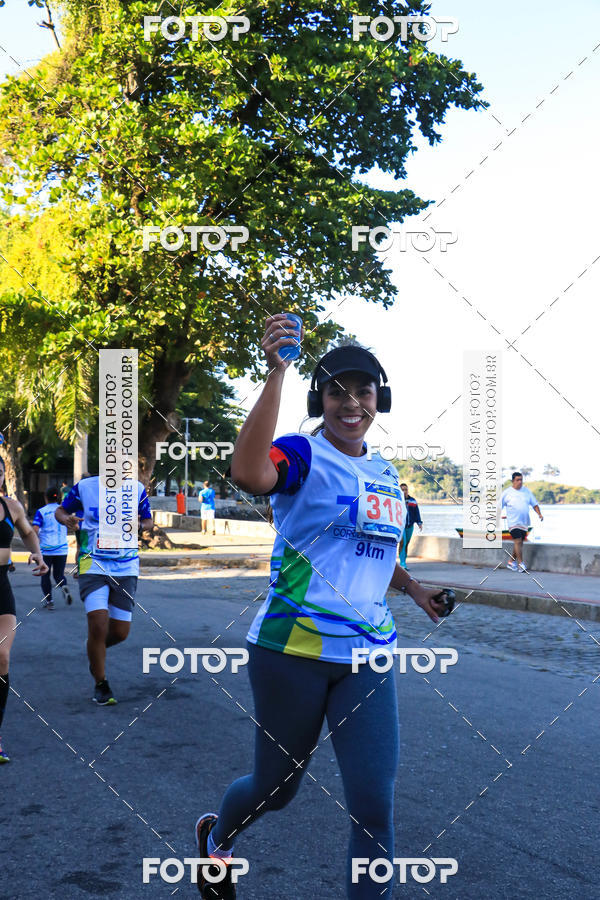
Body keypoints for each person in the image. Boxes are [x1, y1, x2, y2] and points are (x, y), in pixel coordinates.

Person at [193, 316, 448, 899]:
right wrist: (277, 372)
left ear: (379, 400)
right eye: (337, 390)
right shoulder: (301, 454)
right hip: (292, 650)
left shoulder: (384, 472)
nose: (351, 402)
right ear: (320, 398)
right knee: (277, 788)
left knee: (373, 808)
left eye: (363, 391)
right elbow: (249, 473)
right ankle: (219, 839)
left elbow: (374, 554)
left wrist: (411, 588)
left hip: (370, 654)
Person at [55, 474, 152, 705]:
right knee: (97, 623)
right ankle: (101, 684)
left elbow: (149, 521)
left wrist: (137, 524)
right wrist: (66, 518)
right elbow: (60, 510)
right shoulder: (85, 487)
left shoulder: (136, 488)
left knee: (120, 633)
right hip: (91, 562)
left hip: (126, 565)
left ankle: (94, 650)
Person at [0, 456, 48, 763]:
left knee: (1, 655)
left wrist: (38, 555)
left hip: (0, 587)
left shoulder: (11, 507)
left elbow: (28, 532)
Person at [32, 486, 72, 609]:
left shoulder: (41, 511)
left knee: (45, 575)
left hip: (46, 549)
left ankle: (49, 602)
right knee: (59, 575)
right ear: (58, 497)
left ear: (45, 497)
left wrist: (34, 546)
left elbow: (35, 530)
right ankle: (63, 585)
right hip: (62, 548)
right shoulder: (65, 511)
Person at [501, 471, 543, 573]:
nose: (520, 482)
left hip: (524, 522)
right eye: (517, 480)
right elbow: (499, 506)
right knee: (518, 541)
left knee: (519, 543)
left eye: (521, 480)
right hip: (513, 522)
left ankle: (511, 562)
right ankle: (521, 564)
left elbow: (534, 504)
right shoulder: (507, 493)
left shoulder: (526, 491)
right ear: (513, 481)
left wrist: (539, 514)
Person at [398, 482, 423, 569]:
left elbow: (417, 512)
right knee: (402, 543)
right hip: (401, 526)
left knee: (407, 544)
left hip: (410, 526)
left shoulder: (412, 500)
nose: (404, 491)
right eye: (402, 490)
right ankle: (402, 563)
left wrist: (419, 523)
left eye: (406, 490)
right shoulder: (397, 500)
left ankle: (404, 562)